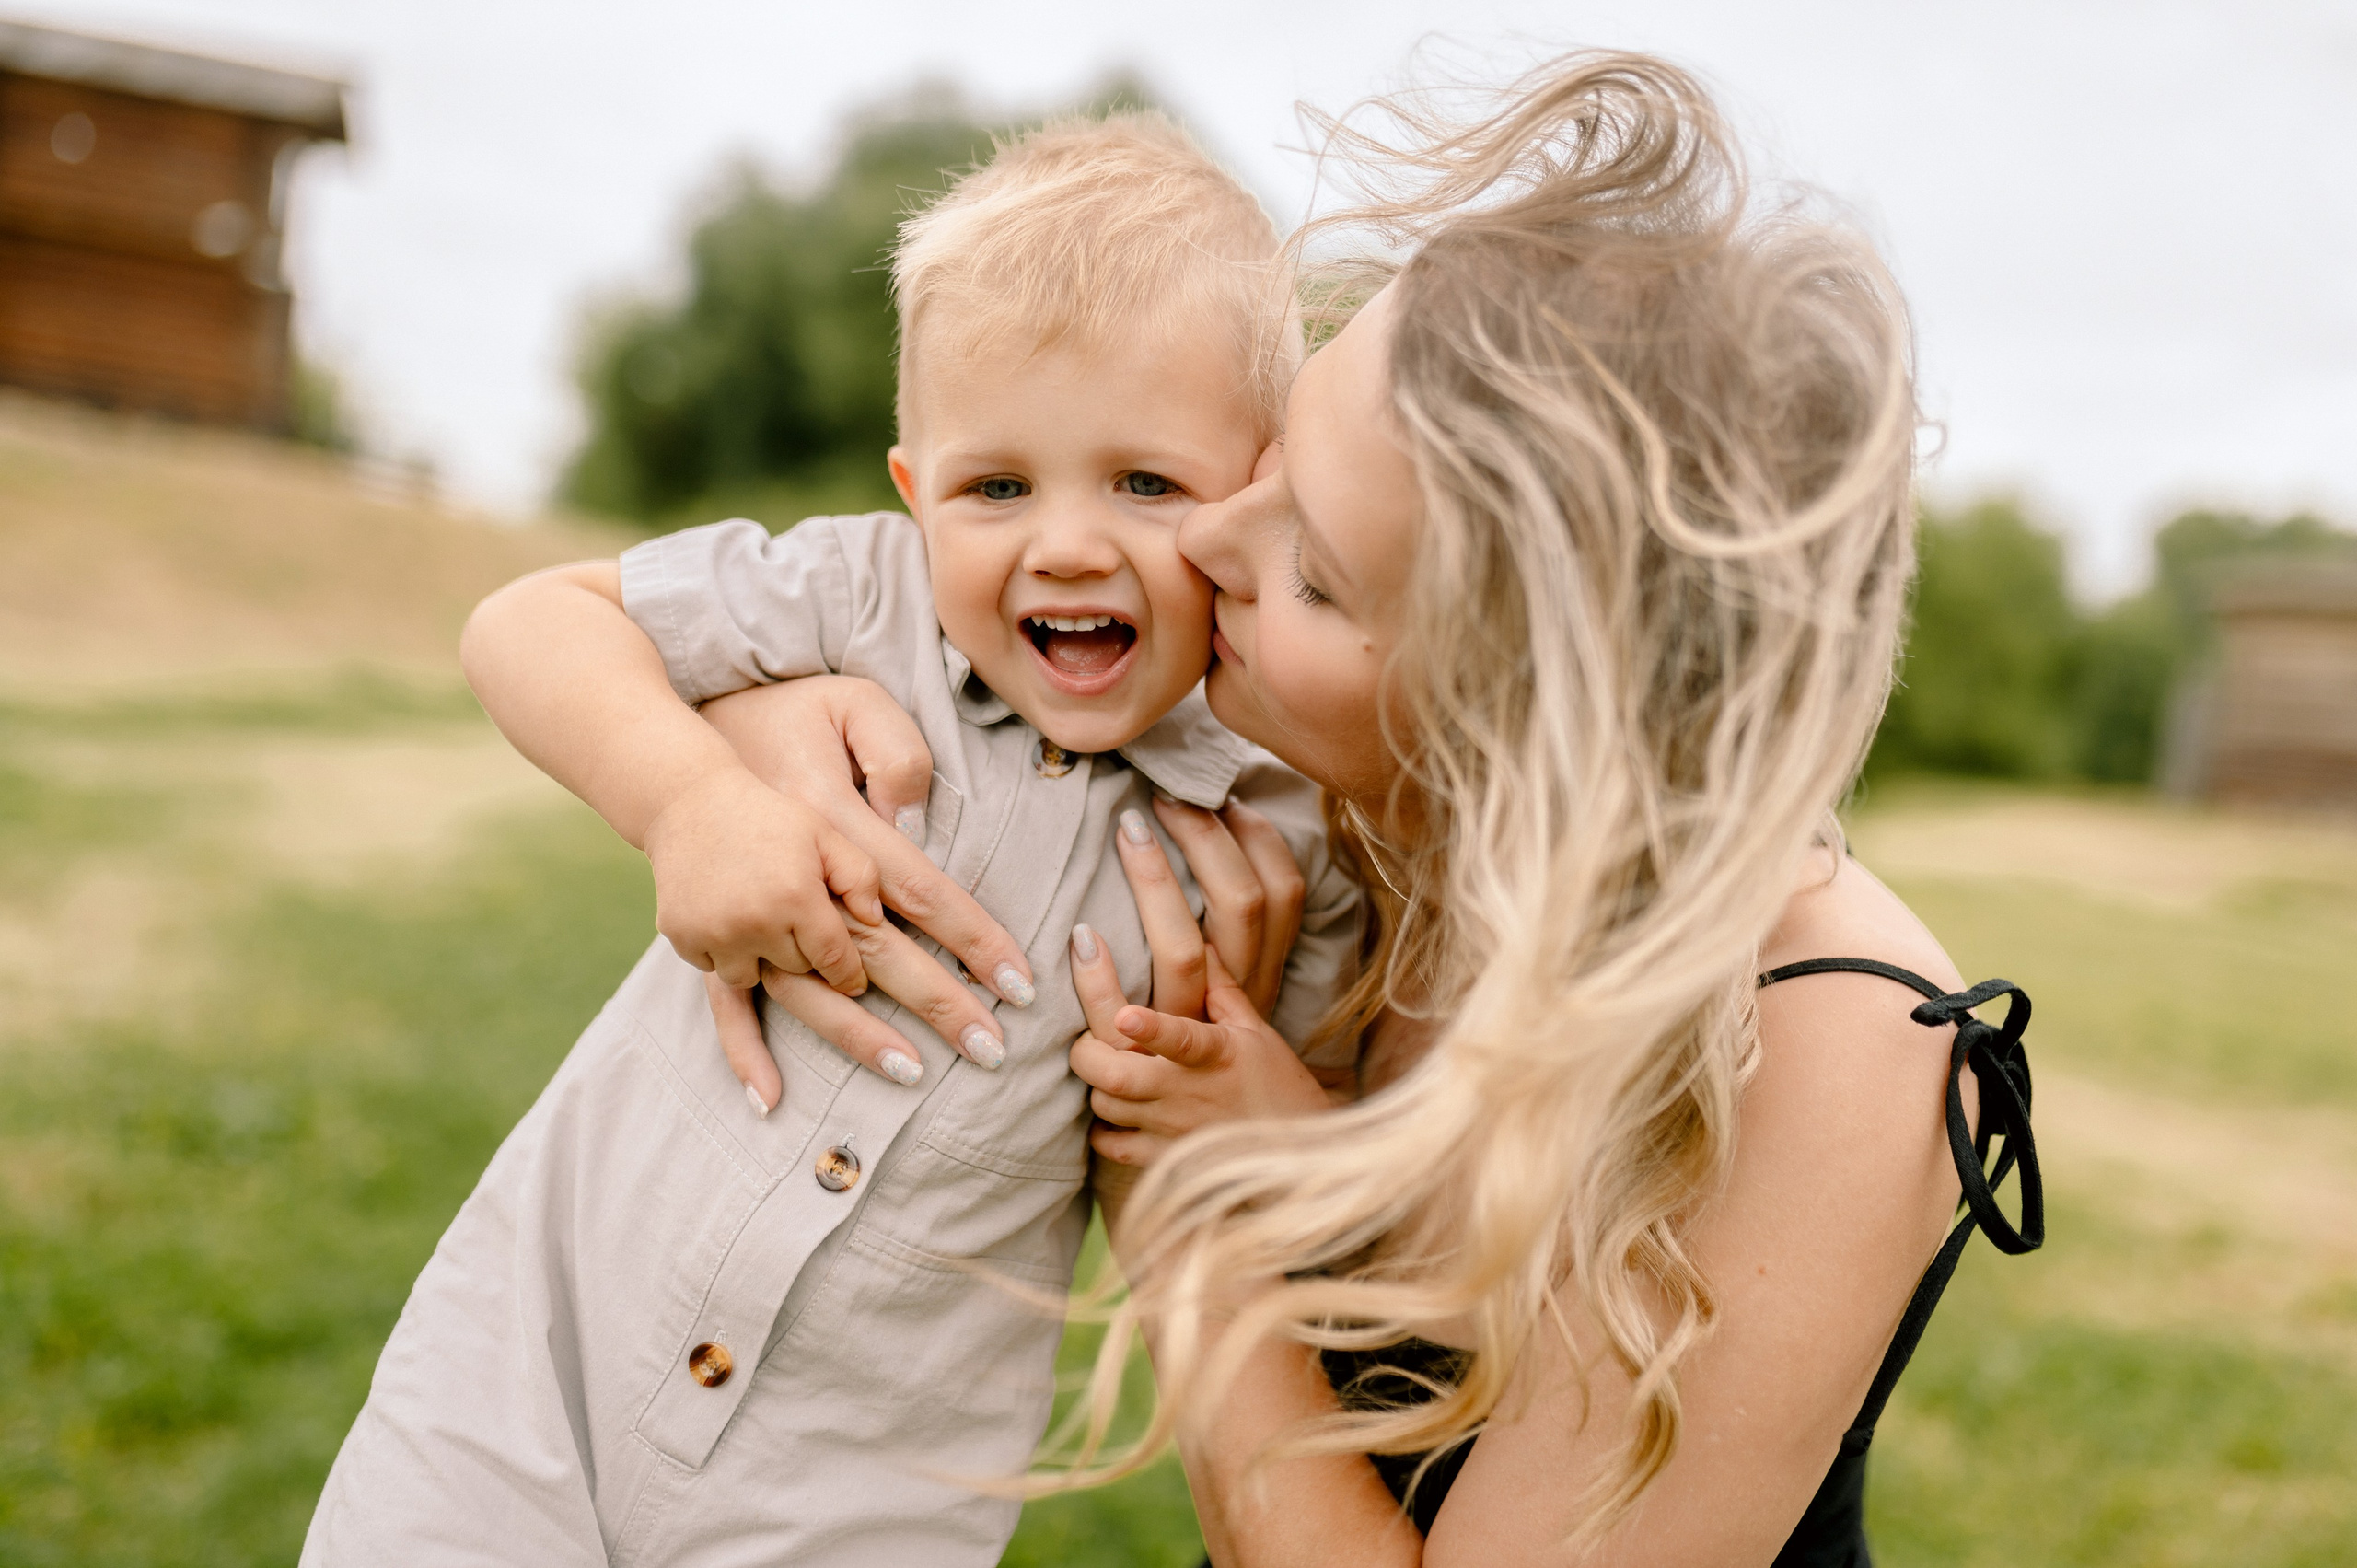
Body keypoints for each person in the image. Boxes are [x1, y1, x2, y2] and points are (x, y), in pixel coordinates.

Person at [708, 52, 2043, 1566]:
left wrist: (1198, 1195)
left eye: (1317, 576)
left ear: (1517, 729)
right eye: (1284, 450)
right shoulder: (1332, 802)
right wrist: (771, 734)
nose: (1207, 531)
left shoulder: (1836, 1038)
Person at [300, 111, 1362, 1568]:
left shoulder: (1274, 824)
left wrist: (1263, 1106)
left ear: (1254, 499)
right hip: (527, 1382)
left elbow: (1348, 1154)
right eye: (999, 486)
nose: (1062, 543)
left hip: (858, 1494)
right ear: (916, 490)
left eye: (1144, 483)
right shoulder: (862, 603)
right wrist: (690, 798)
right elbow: (530, 624)